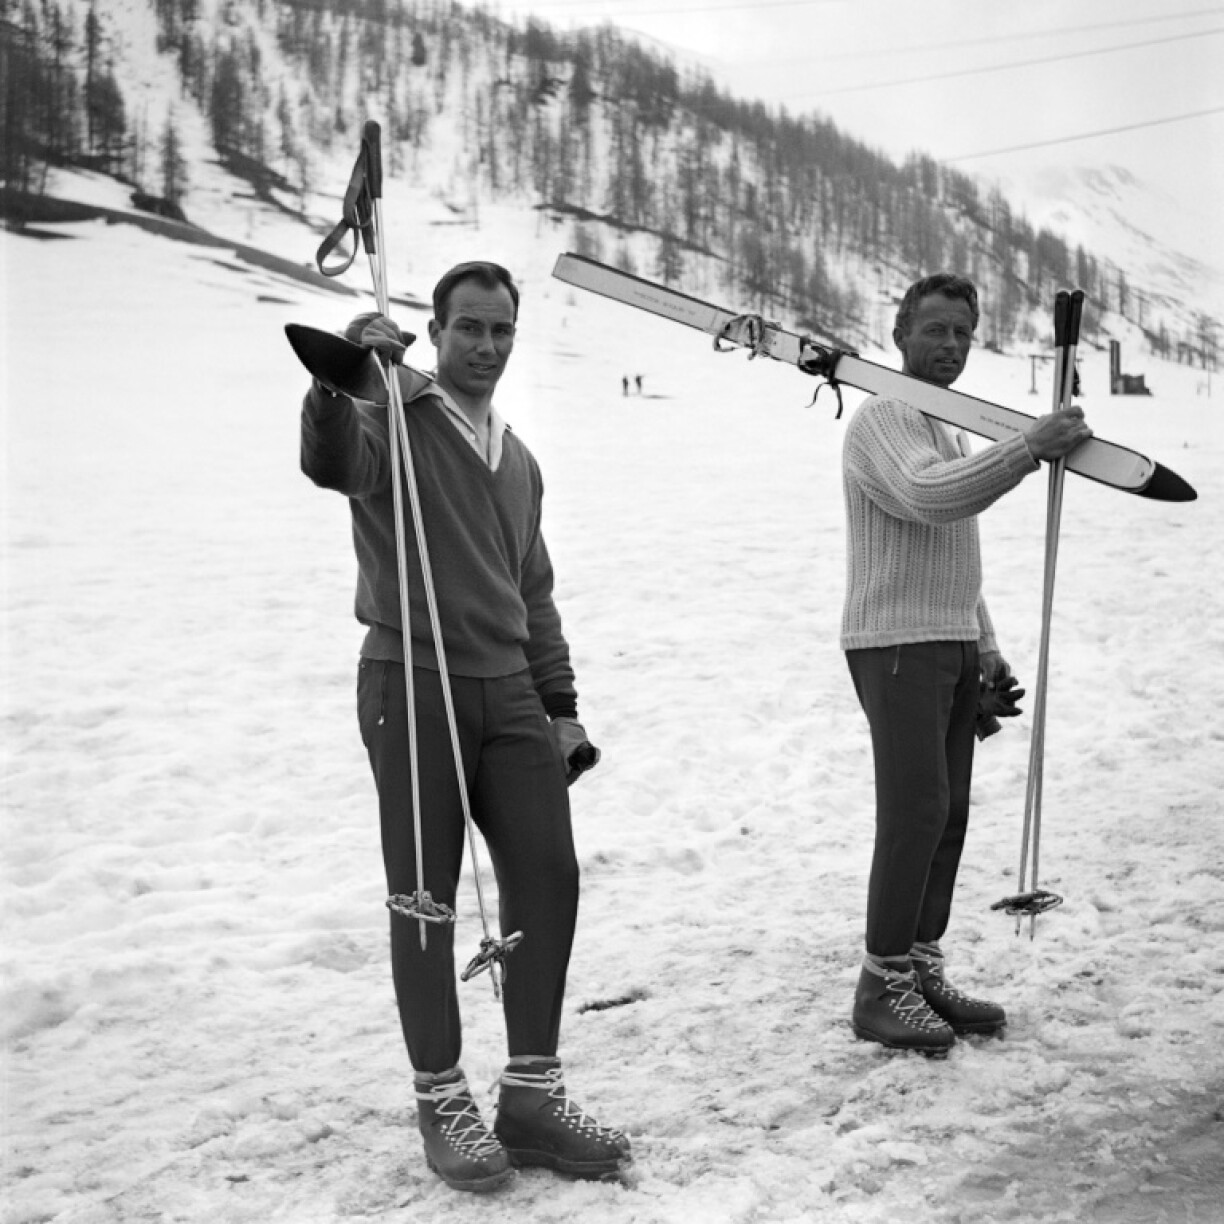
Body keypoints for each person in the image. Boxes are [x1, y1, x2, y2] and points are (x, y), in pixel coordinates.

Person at [300, 261, 630, 1190]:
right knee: (425, 897)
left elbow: (534, 590)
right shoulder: (392, 419)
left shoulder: (519, 458)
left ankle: (530, 1096)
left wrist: (560, 708)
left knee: (548, 878)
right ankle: (442, 1100)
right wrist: (339, 379)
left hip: (510, 691)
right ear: (436, 332)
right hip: (410, 678)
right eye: (468, 329)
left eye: (501, 331)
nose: (485, 347)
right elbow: (331, 464)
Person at [840, 273, 1092, 1054]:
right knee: (914, 811)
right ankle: (881, 985)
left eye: (962, 334)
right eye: (935, 330)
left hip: (946, 639)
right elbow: (929, 498)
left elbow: (954, 546)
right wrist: (1025, 448)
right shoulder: (884, 417)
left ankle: (919, 966)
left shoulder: (944, 424)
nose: (949, 346)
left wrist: (982, 643)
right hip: (894, 644)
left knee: (946, 813)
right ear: (899, 335)